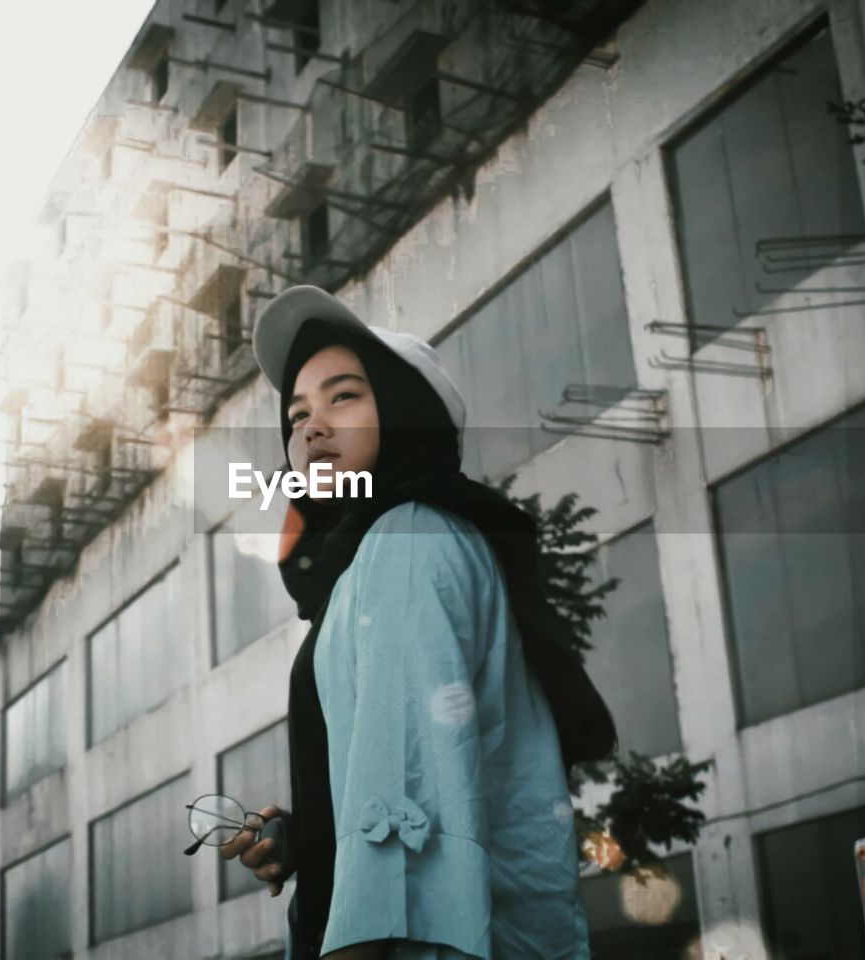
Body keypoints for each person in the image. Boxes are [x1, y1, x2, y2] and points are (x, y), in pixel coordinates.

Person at [219, 286, 616, 960]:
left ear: (407, 414)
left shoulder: (406, 541)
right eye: (297, 413)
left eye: (343, 396)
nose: (312, 427)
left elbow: (402, 852)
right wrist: (314, 837)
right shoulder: (386, 557)